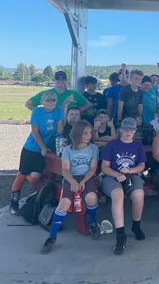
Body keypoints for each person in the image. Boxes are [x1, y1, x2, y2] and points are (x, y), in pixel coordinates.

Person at [40, 121, 100, 254]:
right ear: (77, 133)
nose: (88, 136)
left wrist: (83, 181)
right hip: (70, 178)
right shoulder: (67, 150)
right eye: (85, 133)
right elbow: (65, 170)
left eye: (90, 133)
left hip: (87, 177)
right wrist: (73, 182)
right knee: (64, 203)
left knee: (91, 197)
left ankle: (92, 223)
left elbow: (93, 168)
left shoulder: (93, 149)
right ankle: (52, 236)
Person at [10, 91, 64, 215]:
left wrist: (59, 144)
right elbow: (35, 132)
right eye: (47, 100)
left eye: (53, 100)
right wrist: (43, 147)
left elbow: (59, 129)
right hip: (32, 148)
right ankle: (14, 203)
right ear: (42, 102)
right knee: (22, 173)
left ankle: (37, 195)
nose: (51, 103)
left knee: (35, 177)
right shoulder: (37, 112)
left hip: (47, 148)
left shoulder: (58, 110)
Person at [100, 118, 147, 255]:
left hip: (132, 175)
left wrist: (130, 171)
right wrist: (116, 174)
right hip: (112, 175)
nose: (128, 132)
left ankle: (136, 225)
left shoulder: (138, 145)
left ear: (135, 131)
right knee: (117, 194)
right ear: (120, 130)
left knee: (138, 194)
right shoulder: (112, 145)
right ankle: (120, 234)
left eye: (131, 130)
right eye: (125, 129)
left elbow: (142, 166)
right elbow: (104, 167)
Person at [25, 70, 90, 113]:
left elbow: (88, 104)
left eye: (63, 79)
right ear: (54, 80)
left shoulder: (74, 94)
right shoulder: (47, 94)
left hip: (71, 126)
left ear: (66, 80)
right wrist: (42, 112)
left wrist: (78, 111)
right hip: (52, 126)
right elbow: (28, 104)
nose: (60, 81)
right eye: (58, 79)